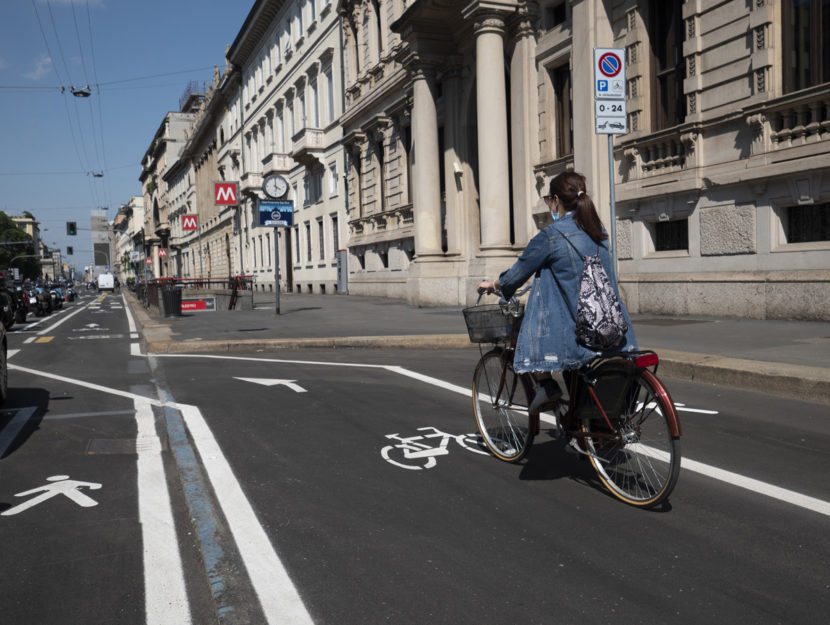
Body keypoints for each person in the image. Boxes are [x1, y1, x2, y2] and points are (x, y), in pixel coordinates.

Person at [477, 171, 637, 419]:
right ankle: (580, 425)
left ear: (555, 200)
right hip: (612, 326)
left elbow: (518, 272)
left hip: (577, 329)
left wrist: (496, 285)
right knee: (579, 372)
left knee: (525, 331)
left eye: (548, 200)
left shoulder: (550, 236)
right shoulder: (599, 231)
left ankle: (545, 385)